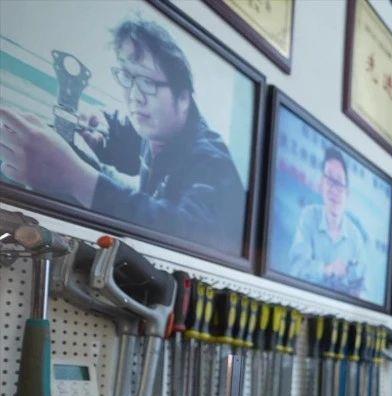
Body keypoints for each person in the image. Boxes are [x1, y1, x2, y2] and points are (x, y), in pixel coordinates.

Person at [0, 18, 246, 252]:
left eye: (148, 83)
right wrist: (103, 134)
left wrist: (75, 177)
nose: (135, 97)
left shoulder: (211, 162)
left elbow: (184, 231)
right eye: (128, 77)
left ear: (183, 98)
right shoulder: (157, 129)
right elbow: (127, 136)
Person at [287, 147, 368, 296]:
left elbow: (362, 290)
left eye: (340, 183)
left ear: (347, 192)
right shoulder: (309, 216)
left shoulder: (356, 238)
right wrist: (327, 270)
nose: (334, 190)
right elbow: (296, 268)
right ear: (321, 185)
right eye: (330, 180)